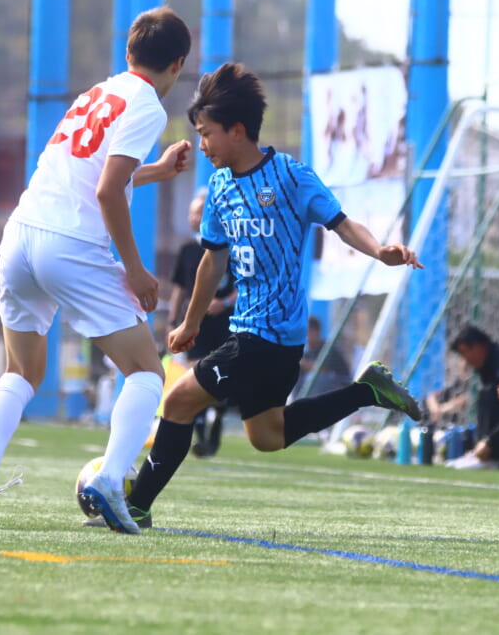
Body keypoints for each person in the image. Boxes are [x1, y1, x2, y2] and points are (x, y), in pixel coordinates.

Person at [111, 63, 423, 533]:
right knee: (267, 436)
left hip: (267, 335)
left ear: (237, 131)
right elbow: (212, 260)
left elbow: (342, 224)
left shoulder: (290, 176)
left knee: (177, 403)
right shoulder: (219, 187)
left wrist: (380, 251)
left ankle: (135, 507)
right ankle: (368, 390)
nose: (201, 145)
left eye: (206, 134)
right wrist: (191, 322)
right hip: (259, 336)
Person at [0, 7, 193, 530]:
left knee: (21, 372)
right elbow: (107, 191)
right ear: (178, 64)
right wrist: (135, 269)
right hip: (69, 244)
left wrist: (155, 171)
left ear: (128, 52)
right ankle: (110, 480)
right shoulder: (147, 105)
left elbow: (89, 175)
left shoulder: (95, 94)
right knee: (146, 372)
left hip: (21, 236)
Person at [167, 189, 237, 458]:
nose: (194, 218)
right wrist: (174, 320)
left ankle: (216, 422)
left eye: (199, 212)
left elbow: (244, 283)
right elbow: (180, 288)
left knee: (221, 378)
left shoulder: (231, 246)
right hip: (195, 323)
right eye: (192, 213)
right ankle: (201, 439)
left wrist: (225, 302)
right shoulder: (187, 250)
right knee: (196, 375)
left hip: (226, 323)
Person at [446, 325, 499, 470]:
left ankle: (490, 455)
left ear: (482, 344)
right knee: (485, 393)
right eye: (463, 353)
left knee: (491, 394)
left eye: (469, 350)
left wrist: (490, 441)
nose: (467, 358)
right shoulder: (486, 367)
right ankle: (481, 452)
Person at [296, 315, 353, 397]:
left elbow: (324, 371)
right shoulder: (308, 353)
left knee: (316, 378)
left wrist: (305, 364)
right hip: (320, 392)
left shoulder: (328, 349)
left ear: (316, 332)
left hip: (339, 387)